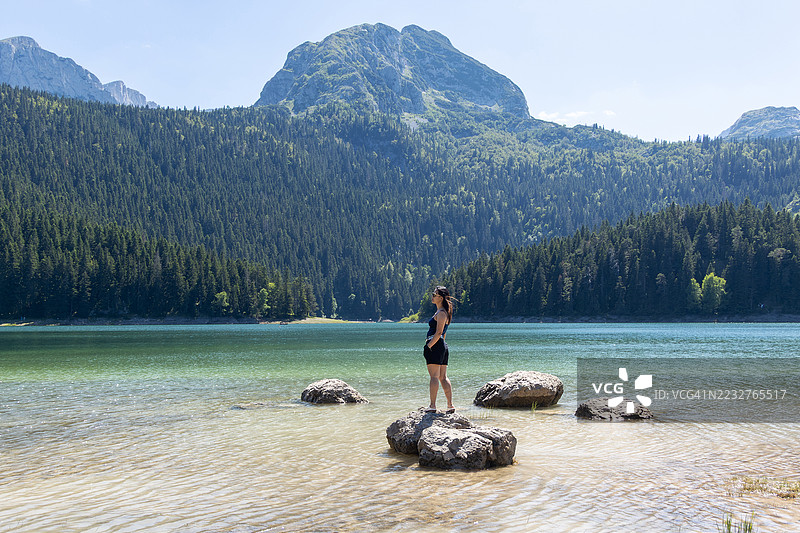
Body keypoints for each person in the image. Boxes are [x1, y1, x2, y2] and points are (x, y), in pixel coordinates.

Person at [424, 286, 455, 413]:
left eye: (434, 294)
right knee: (442, 377)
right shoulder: (442, 312)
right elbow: (443, 335)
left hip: (436, 345)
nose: (432, 296)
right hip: (442, 346)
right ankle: (450, 405)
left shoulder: (442, 313)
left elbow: (439, 332)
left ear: (440, 298)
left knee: (434, 377)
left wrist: (429, 346)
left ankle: (432, 406)